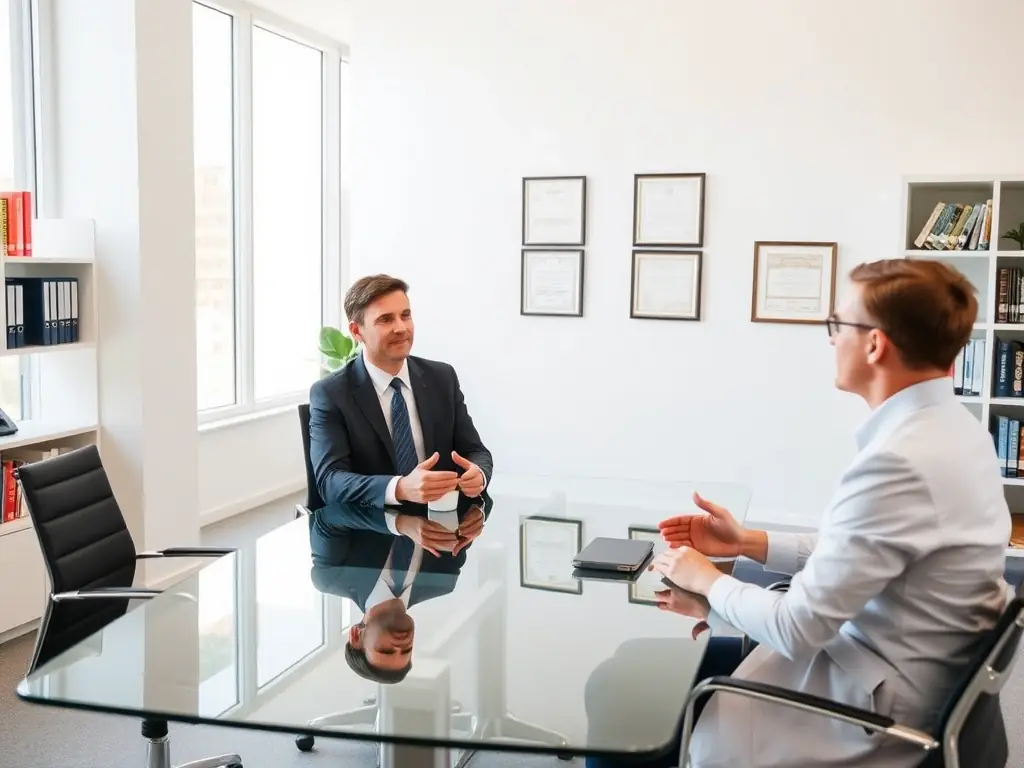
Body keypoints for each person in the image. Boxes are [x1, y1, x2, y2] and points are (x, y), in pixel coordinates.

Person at [591, 259, 1015, 768]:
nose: (832, 340)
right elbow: (861, 550)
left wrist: (707, 581)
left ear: (875, 344)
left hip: (864, 709)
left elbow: (797, 628)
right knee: (620, 675)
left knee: (620, 699)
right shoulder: (957, 431)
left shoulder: (898, 462)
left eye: (837, 326)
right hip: (890, 668)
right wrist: (747, 543)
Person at [308, 274, 493, 553]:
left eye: (405, 315)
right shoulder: (332, 394)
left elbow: (475, 450)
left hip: (440, 535)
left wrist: (478, 474)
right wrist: (401, 488)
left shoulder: (442, 377)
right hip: (366, 538)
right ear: (357, 332)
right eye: (386, 320)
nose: (401, 328)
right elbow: (330, 480)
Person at [308, 495, 492, 683]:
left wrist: (398, 524)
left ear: (356, 636)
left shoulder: (332, 578)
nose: (400, 645)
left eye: (385, 650)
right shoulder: (443, 581)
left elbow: (327, 518)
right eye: (407, 650)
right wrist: (479, 513)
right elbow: (473, 500)